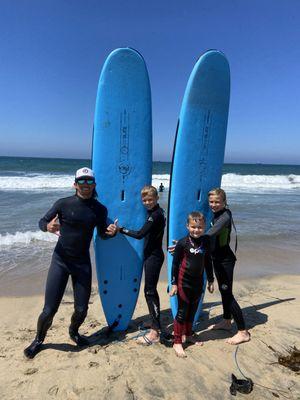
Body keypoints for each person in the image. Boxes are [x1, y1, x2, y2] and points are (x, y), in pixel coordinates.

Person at [24, 167, 117, 359]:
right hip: (60, 261)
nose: (85, 185)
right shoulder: (63, 204)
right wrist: (48, 227)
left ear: (94, 185)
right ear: (75, 184)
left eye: (89, 182)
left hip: (82, 263)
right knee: (49, 310)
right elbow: (42, 221)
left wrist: (110, 234)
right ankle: (39, 340)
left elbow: (101, 234)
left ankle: (74, 331)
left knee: (82, 309)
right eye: (81, 182)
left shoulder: (100, 209)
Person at [117, 185, 165, 345]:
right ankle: (153, 322)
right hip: (150, 255)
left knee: (150, 291)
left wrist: (121, 229)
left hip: (154, 257)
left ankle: (155, 332)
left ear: (157, 198)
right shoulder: (154, 212)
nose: (147, 202)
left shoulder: (155, 215)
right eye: (144, 200)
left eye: (150, 199)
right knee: (149, 291)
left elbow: (139, 235)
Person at [206, 188, 250, 345]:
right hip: (217, 259)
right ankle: (226, 321)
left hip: (225, 261)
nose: (214, 204)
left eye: (217, 202)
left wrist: (185, 242)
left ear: (224, 202)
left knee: (227, 294)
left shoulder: (225, 216)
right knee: (224, 292)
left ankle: (243, 331)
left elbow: (210, 234)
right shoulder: (217, 214)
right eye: (211, 202)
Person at [169, 211, 214, 358]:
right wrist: (174, 284)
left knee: (193, 310)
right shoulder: (183, 243)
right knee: (182, 312)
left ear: (204, 227)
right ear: (187, 226)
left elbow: (208, 261)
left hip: (198, 282)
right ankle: (177, 341)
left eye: (200, 227)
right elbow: (175, 265)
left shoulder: (206, 241)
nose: (196, 230)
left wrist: (211, 280)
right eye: (193, 227)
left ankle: (188, 334)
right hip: (184, 282)